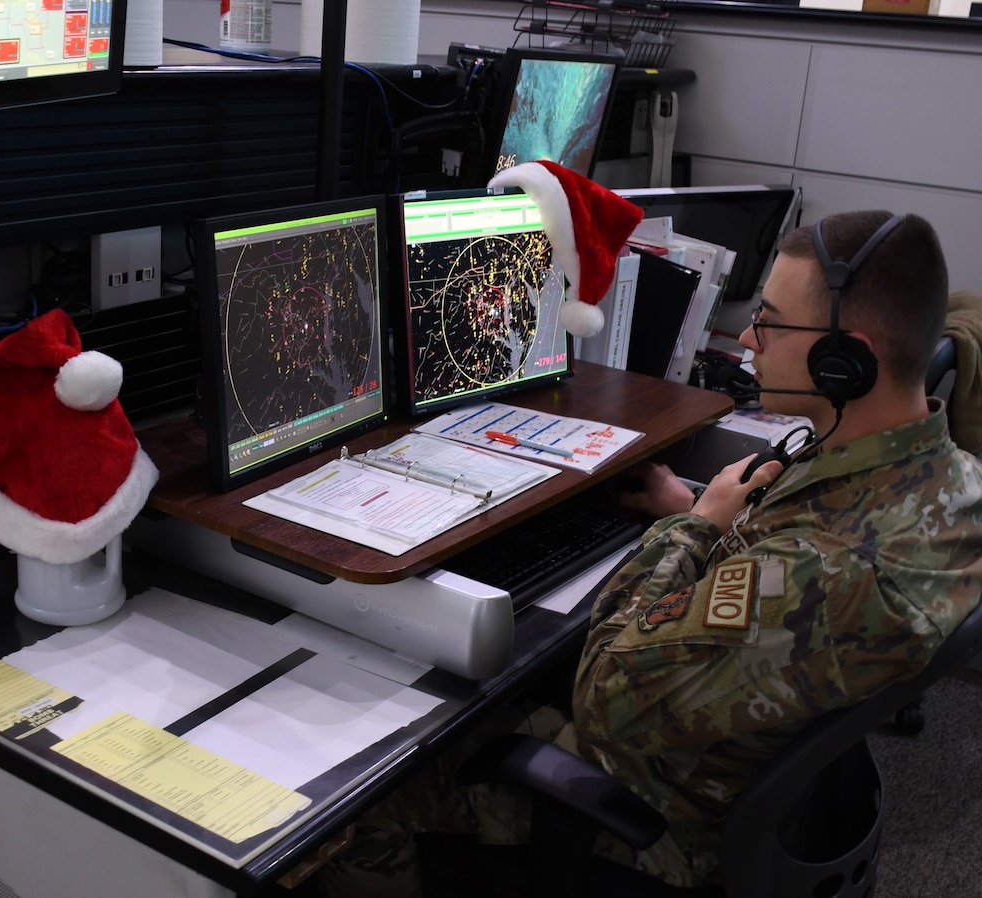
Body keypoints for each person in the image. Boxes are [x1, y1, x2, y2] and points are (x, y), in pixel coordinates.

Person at [315, 209, 982, 897]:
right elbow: (786, 574)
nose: (750, 338)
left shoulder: (826, 572)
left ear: (847, 362)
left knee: (358, 797)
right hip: (752, 744)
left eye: (773, 323)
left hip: (674, 811)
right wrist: (703, 514)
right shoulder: (949, 477)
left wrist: (694, 528)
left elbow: (604, 694)